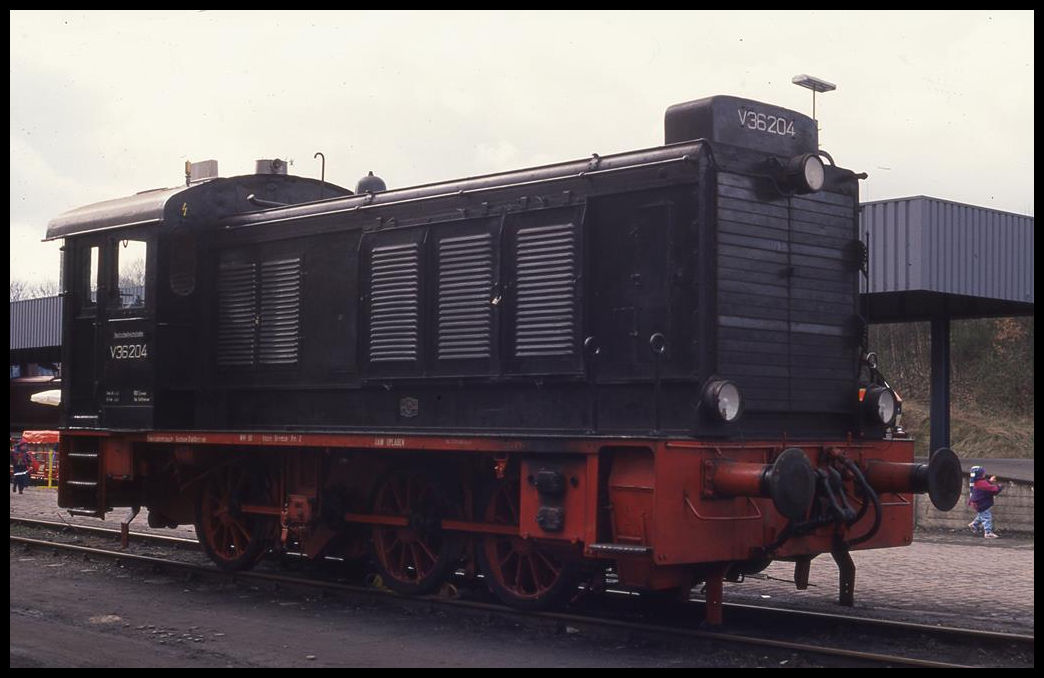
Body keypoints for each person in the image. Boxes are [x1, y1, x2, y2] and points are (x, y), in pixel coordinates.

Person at [967, 465, 1005, 539]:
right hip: (981, 503)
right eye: (983, 473)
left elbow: (985, 483)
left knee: (982, 515)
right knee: (987, 517)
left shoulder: (978, 482)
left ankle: (974, 524)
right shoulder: (981, 483)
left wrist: (990, 481)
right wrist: (999, 487)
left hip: (978, 503)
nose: (984, 474)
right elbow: (991, 488)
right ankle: (988, 532)